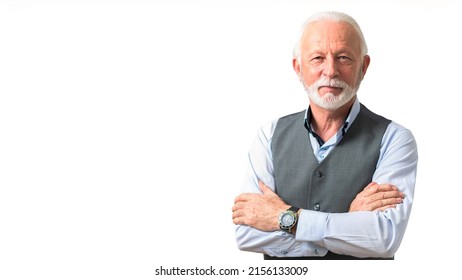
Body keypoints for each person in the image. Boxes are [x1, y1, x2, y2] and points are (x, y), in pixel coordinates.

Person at [231, 11, 418, 260]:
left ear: (363, 67)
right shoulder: (269, 135)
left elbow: (383, 238)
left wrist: (282, 218)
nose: (330, 70)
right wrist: (349, 226)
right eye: (317, 58)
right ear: (298, 67)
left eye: (343, 58)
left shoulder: (394, 139)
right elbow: (247, 233)